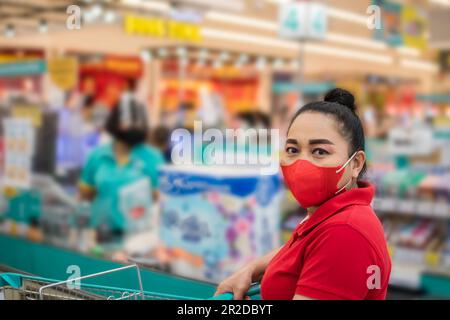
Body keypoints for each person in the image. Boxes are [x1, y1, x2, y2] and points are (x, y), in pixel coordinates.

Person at [215, 88, 391, 300]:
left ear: (355, 163)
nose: (301, 163)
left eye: (320, 152)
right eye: (292, 149)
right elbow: (305, 250)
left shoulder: (345, 231)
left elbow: (330, 247)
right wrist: (252, 269)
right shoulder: (329, 214)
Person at [78, 89, 165, 244]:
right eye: (127, 120)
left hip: (138, 241)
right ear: (115, 121)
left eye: (137, 121)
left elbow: (161, 202)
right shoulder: (97, 156)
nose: (132, 126)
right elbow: (85, 197)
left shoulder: (153, 158)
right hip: (100, 238)